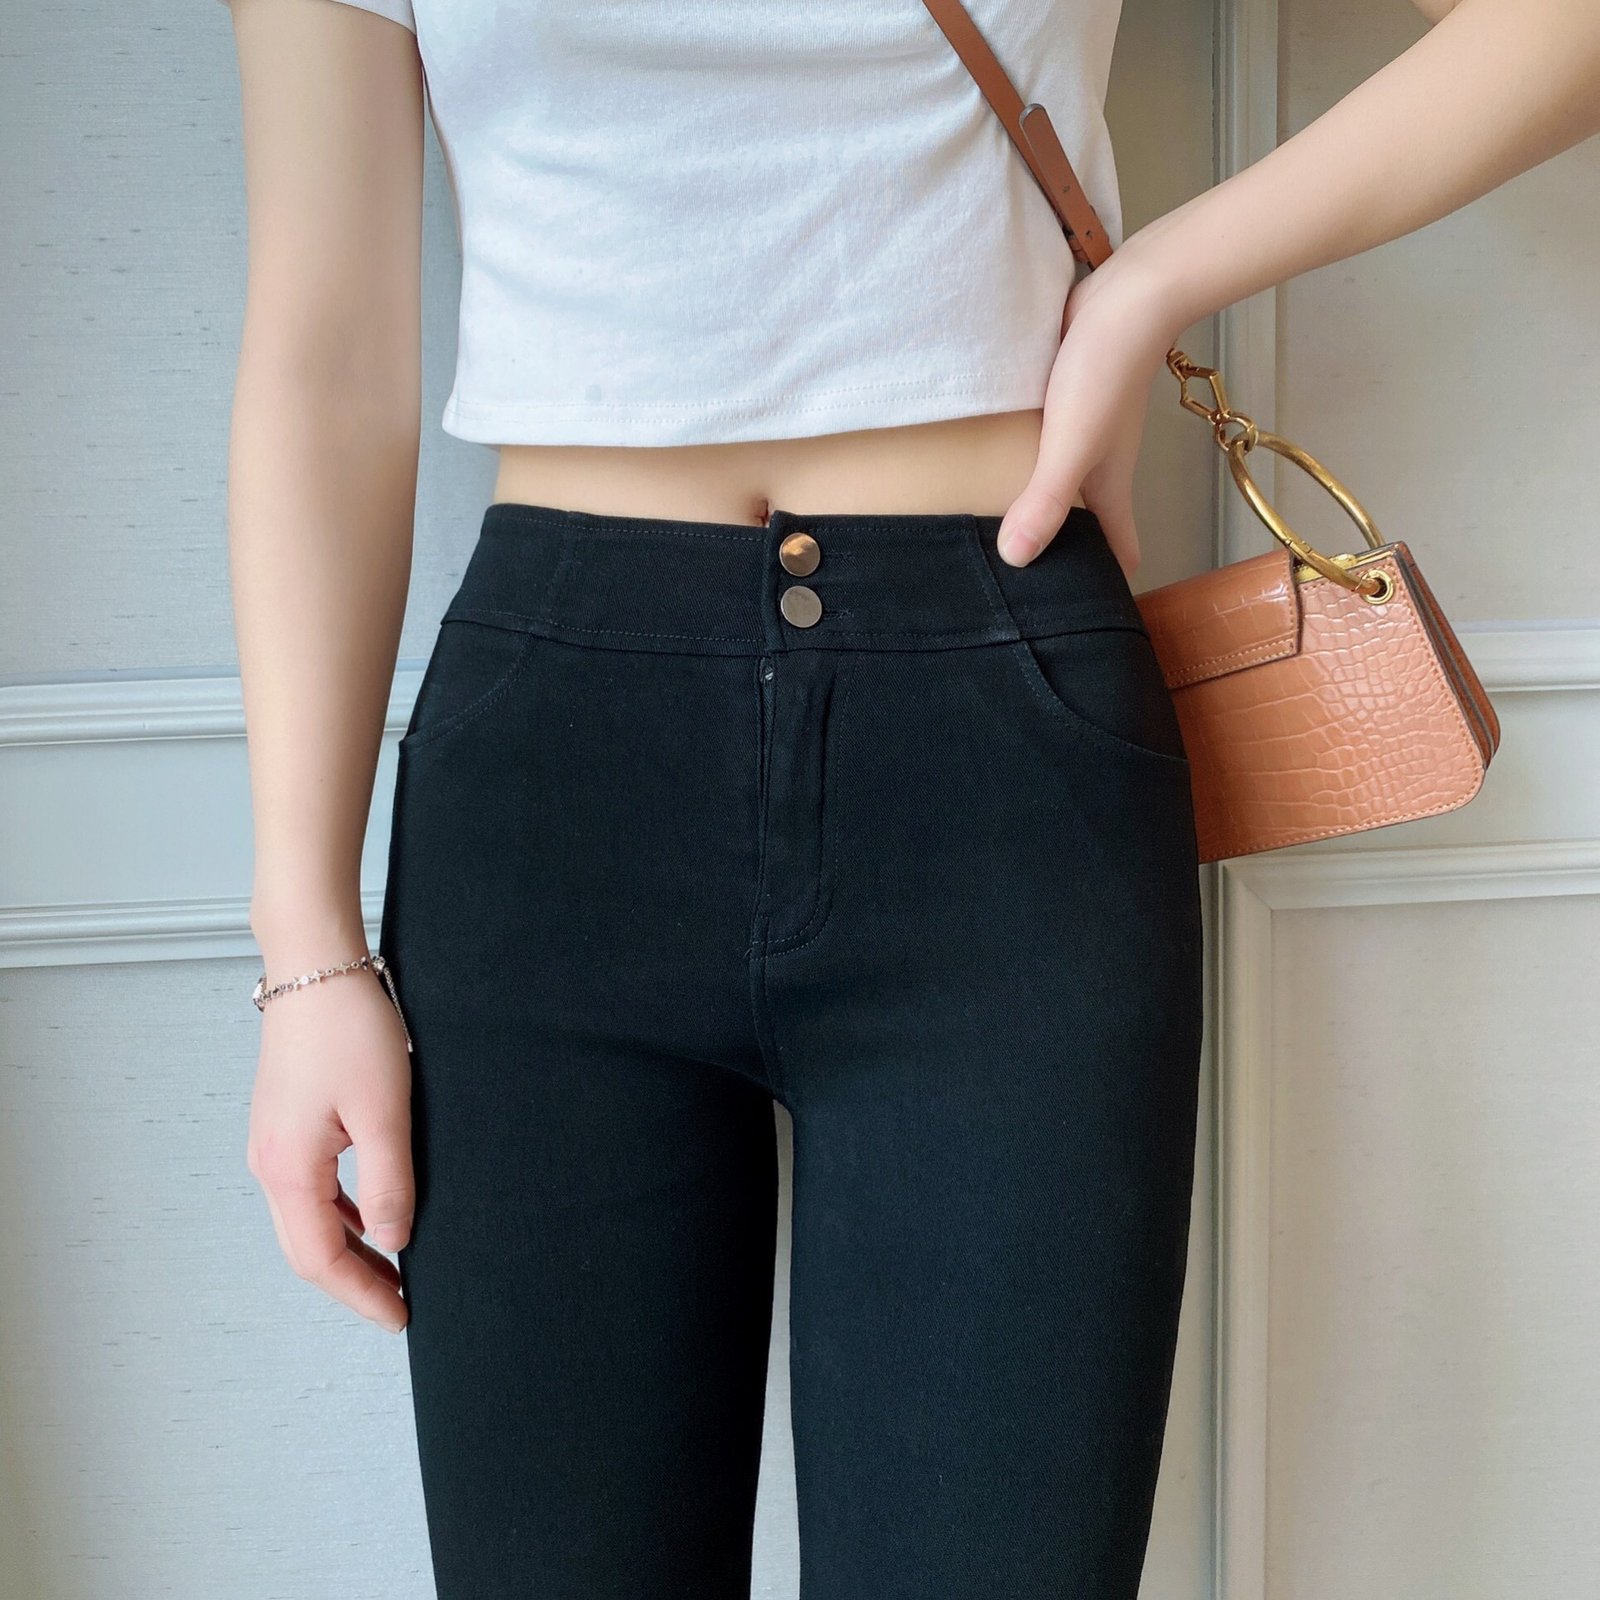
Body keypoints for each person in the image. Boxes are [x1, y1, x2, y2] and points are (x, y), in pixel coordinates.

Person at [221, 1, 1600, 1594]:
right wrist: (305, 951)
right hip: (553, 794)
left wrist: (1155, 280)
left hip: (999, 747)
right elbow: (323, 360)